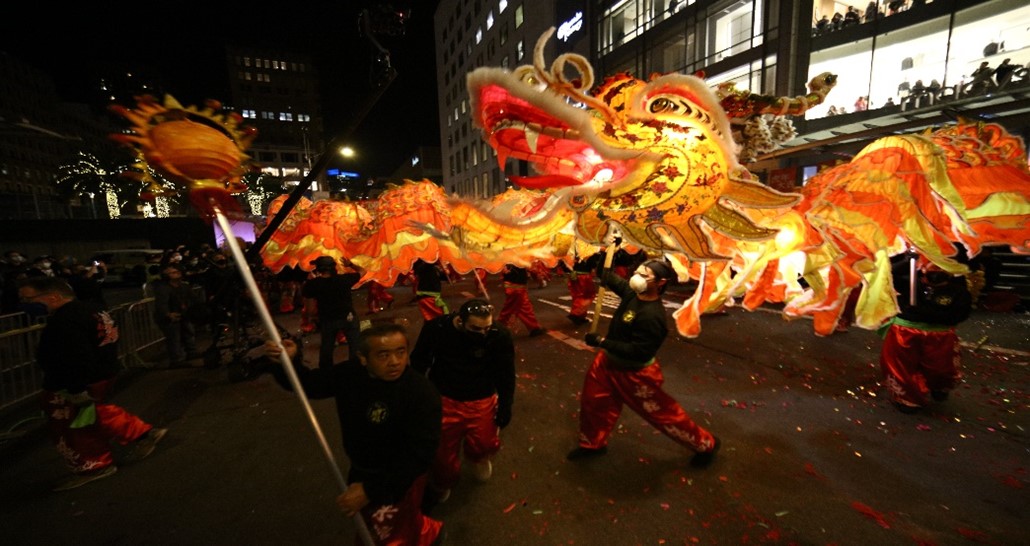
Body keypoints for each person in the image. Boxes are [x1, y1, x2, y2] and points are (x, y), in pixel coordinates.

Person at [263, 323, 444, 545]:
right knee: (376, 526)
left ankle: (428, 535)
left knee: (389, 534)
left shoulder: (421, 392)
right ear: (363, 358)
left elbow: (420, 455)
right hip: (362, 468)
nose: (395, 362)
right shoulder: (350, 375)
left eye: (401, 352)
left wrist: (370, 490)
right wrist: (287, 362)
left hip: (399, 478)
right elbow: (309, 384)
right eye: (383, 355)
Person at [18, 277, 167, 491]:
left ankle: (94, 466)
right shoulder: (93, 310)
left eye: (27, 298)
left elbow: (76, 356)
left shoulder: (66, 320)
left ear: (53, 296)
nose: (23, 303)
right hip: (100, 373)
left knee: (75, 425)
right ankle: (142, 432)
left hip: (76, 381)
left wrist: (75, 387)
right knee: (93, 414)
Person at [567, 259, 720, 467]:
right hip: (606, 365)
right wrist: (604, 253)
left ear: (661, 282)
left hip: (634, 374)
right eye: (637, 272)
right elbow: (608, 275)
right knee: (593, 404)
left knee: (663, 414)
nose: (636, 278)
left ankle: (705, 444)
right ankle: (593, 444)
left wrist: (603, 342)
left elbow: (639, 352)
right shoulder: (632, 294)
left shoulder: (652, 316)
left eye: (645, 275)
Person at [410, 298, 516, 510]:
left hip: (482, 399)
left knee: (484, 444)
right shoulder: (437, 329)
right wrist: (416, 398)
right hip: (444, 398)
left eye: (487, 328)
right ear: (460, 321)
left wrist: (506, 404)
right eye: (476, 329)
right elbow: (419, 362)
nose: (483, 334)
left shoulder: (499, 335)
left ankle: (476, 458)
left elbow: (505, 373)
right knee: (442, 455)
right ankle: (442, 482)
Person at [880, 256, 972, 413]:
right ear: (922, 267)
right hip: (904, 334)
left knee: (940, 370)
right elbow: (884, 273)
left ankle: (939, 387)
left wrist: (925, 312)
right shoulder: (908, 284)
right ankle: (907, 399)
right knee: (902, 367)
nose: (937, 269)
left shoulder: (958, 291)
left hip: (940, 337)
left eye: (941, 265)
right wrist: (907, 260)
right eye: (932, 265)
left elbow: (958, 315)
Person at [302, 255, 362, 371]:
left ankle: (326, 373)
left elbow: (308, 305)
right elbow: (362, 271)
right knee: (355, 345)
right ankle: (356, 369)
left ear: (318, 269)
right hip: (348, 317)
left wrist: (309, 318)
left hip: (328, 319)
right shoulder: (344, 279)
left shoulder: (314, 284)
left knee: (327, 347)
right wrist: (350, 265)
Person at [152, 263, 201, 366]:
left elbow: (194, 298)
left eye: (177, 271)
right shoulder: (163, 288)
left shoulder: (183, 286)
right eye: (173, 272)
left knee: (188, 333)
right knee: (174, 338)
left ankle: (191, 352)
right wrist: (168, 314)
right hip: (170, 317)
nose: (177, 273)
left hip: (182, 314)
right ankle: (176, 360)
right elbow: (161, 303)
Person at [497, 264, 546, 336]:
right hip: (515, 287)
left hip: (515, 285)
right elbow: (529, 267)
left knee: (524, 306)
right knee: (508, 309)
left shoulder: (509, 257)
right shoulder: (518, 258)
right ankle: (498, 328)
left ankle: (534, 328)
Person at [567, 250, 604, 326]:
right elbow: (592, 262)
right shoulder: (588, 248)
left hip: (573, 275)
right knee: (587, 295)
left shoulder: (574, 246)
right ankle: (576, 313)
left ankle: (581, 316)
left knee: (577, 295)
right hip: (584, 276)